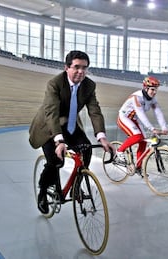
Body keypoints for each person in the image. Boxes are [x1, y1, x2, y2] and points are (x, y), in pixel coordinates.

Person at [29, 50, 113, 215]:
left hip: (70, 125)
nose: (81, 72)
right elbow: (51, 112)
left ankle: (76, 185)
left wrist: (102, 137)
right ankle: (43, 191)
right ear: (66, 67)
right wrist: (59, 141)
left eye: (84, 68)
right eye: (76, 67)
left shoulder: (89, 85)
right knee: (55, 162)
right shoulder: (55, 83)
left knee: (86, 149)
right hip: (48, 127)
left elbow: (94, 111)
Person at [114, 76, 168, 172]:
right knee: (138, 136)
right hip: (124, 118)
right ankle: (119, 151)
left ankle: (138, 167)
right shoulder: (137, 97)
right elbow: (141, 114)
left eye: (156, 90)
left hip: (134, 119)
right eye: (152, 89)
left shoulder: (152, 99)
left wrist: (164, 127)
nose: (154, 92)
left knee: (143, 142)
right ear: (145, 88)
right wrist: (151, 128)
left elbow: (158, 113)